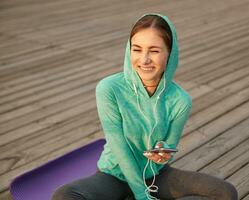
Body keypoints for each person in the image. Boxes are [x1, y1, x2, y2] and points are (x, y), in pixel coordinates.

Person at [52, 13, 238, 200]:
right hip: (114, 176)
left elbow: (169, 147)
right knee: (64, 196)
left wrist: (163, 151)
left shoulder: (181, 100)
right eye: (137, 49)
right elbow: (119, 147)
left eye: (154, 51)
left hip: (155, 177)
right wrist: (142, 195)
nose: (144, 59)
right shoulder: (109, 88)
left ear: (170, 53)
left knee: (226, 192)